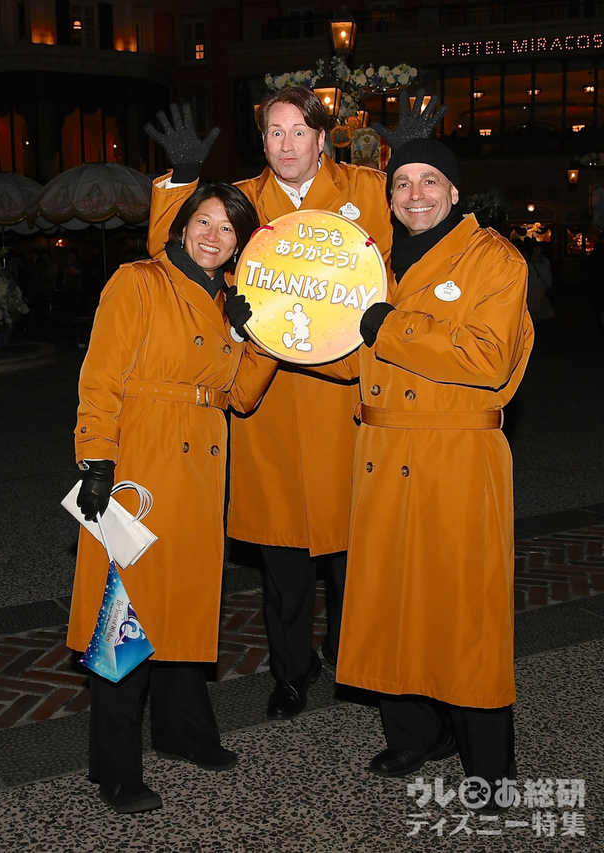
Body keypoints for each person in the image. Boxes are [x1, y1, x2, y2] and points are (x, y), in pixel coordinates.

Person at [145, 91, 443, 721]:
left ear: (323, 137)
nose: (286, 145)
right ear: (264, 142)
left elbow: (424, 231)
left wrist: (406, 159)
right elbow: (174, 249)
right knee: (283, 559)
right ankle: (289, 672)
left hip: (348, 400)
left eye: (299, 132)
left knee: (353, 552)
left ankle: (352, 657)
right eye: (274, 133)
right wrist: (181, 181)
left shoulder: (368, 188)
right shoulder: (244, 201)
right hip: (270, 400)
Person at [310, 138, 533, 813]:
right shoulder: (372, 264)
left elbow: (487, 358)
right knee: (391, 603)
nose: (414, 194)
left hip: (456, 458)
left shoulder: (494, 258)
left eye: (430, 180)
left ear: (455, 191)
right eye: (402, 182)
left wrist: (391, 325)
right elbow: (351, 356)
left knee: (463, 612)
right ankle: (414, 733)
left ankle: (488, 767)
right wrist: (276, 332)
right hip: (382, 455)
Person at [66, 183, 277, 814]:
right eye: (203, 221)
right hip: (143, 462)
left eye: (228, 228)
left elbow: (241, 397)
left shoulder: (227, 305)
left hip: (202, 464)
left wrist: (255, 339)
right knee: (124, 613)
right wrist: (96, 456)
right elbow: (101, 375)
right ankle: (114, 766)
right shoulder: (138, 281)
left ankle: (185, 733)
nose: (213, 236)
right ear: (181, 225)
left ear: (240, 242)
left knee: (186, 602)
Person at [525, 239, 554, 321]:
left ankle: (538, 319)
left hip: (540, 286)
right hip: (531, 286)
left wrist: (548, 285)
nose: (537, 250)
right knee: (532, 304)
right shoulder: (529, 261)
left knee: (539, 304)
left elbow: (548, 273)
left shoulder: (545, 262)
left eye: (539, 248)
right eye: (536, 248)